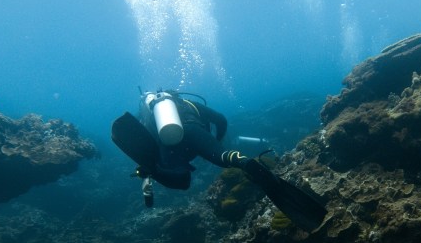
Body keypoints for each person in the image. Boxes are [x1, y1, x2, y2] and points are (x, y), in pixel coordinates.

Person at [112, 89, 327, 232]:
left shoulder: (150, 117)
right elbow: (221, 120)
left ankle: (153, 171)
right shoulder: (187, 103)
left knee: (182, 180)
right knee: (226, 157)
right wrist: (215, 143)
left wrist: (152, 169)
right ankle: (242, 161)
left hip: (170, 146)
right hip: (194, 130)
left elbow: (146, 146)